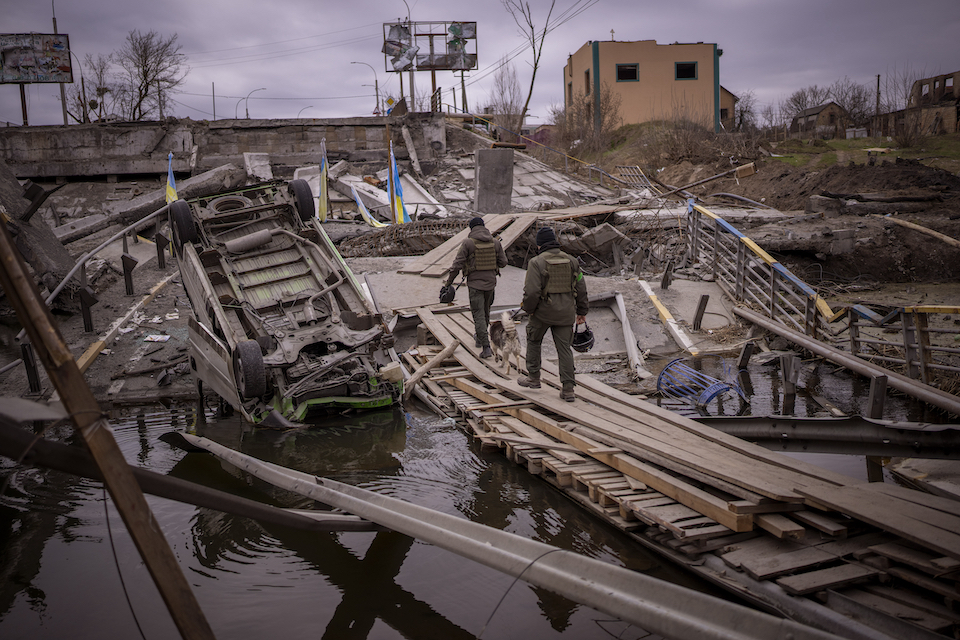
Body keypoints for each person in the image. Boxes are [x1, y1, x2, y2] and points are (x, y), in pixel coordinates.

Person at [517, 226, 588, 402]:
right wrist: (582, 311)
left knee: (533, 340)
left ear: (540, 245)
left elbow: (532, 292)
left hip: (542, 314)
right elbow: (581, 287)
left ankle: (533, 378)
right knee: (564, 349)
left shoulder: (536, 262)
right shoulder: (572, 261)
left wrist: (528, 309)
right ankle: (568, 389)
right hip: (566, 314)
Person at [443, 217, 507, 359]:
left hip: (475, 285)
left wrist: (448, 283)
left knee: (478, 314)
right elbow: (503, 263)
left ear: (471, 229)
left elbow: (457, 265)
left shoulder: (468, 243)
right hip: (491, 284)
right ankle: (480, 338)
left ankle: (486, 347)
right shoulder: (495, 242)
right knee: (485, 312)